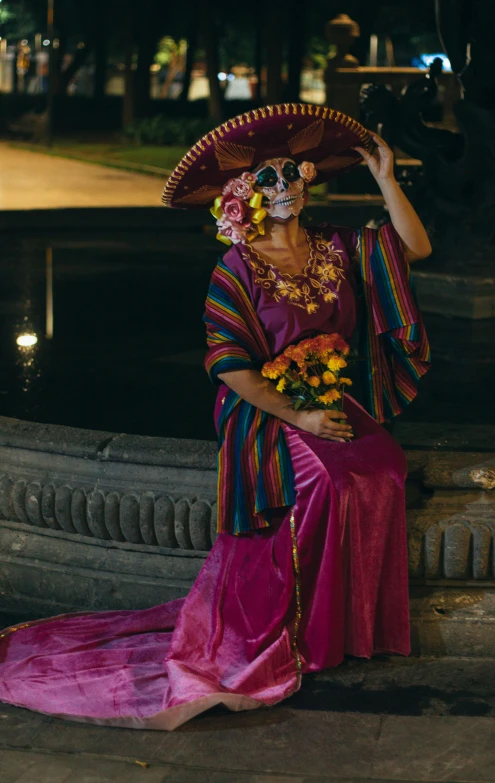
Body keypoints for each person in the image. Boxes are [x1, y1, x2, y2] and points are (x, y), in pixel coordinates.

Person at [0, 103, 431, 730]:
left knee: (386, 466)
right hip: (266, 413)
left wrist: (388, 179)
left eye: (290, 173)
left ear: (307, 179)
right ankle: (301, 637)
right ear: (244, 195)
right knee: (329, 483)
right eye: (267, 179)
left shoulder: (340, 247)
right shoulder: (236, 269)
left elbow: (415, 247)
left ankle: (352, 633)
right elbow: (232, 368)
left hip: (334, 401)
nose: (283, 186)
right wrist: (301, 420)